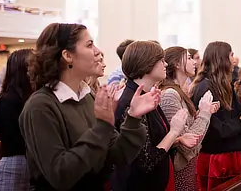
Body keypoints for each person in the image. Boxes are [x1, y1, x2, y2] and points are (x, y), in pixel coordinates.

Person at [19, 23, 157, 190]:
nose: (98, 51)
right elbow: (60, 175)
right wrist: (102, 126)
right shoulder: (40, 107)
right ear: (68, 55)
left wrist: (133, 119)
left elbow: (117, 154)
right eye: (89, 45)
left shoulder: (87, 96)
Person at [191, 41, 241, 190]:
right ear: (221, 59)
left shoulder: (223, 84)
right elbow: (213, 130)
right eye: (231, 55)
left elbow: (238, 112)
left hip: (229, 152)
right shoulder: (205, 88)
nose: (234, 59)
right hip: (216, 157)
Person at [113, 41, 190, 191]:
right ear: (146, 63)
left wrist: (177, 139)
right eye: (161, 60)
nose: (166, 64)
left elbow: (153, 142)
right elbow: (147, 161)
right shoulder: (132, 100)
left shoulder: (145, 94)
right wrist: (174, 131)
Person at [159, 46, 219, 191]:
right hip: (179, 169)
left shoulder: (179, 90)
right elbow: (186, 146)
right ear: (177, 64)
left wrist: (204, 113)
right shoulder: (170, 94)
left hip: (188, 166)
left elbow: (192, 136)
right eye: (189, 58)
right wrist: (204, 114)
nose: (194, 62)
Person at [0, 49, 34, 191]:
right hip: (15, 162)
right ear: (24, 69)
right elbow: (14, 137)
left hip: (29, 161)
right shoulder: (9, 99)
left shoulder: (27, 96)